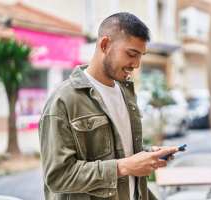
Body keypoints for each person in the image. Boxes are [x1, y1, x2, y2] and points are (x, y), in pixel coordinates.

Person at [38, 12, 178, 200]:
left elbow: (121, 153)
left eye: (140, 56)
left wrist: (146, 156)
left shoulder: (126, 94)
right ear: (105, 45)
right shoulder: (63, 100)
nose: (136, 64)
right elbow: (57, 177)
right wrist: (124, 166)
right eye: (131, 54)